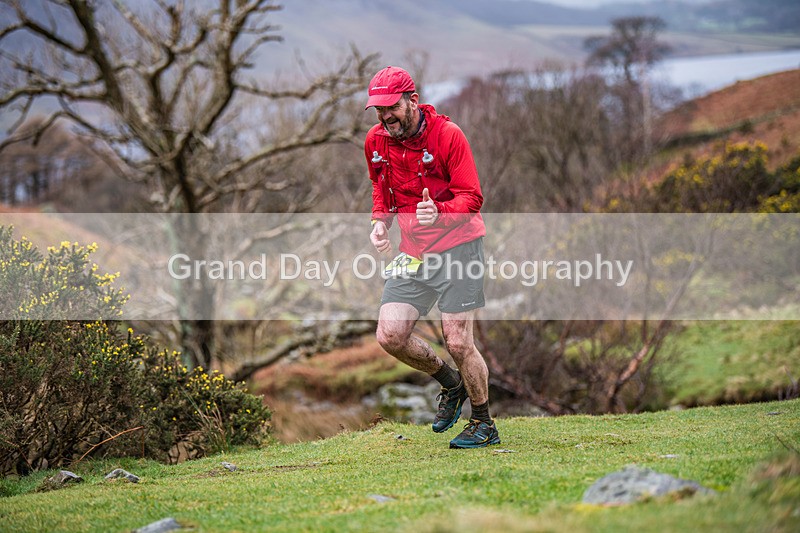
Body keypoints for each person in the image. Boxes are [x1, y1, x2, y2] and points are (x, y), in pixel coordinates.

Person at [363, 66, 500, 449]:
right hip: (414, 252)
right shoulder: (375, 141)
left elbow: (472, 199)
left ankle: (484, 423)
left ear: (413, 101)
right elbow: (380, 187)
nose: (385, 116)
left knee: (458, 341)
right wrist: (380, 222)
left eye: (391, 107)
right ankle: (450, 383)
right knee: (390, 335)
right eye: (378, 110)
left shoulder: (448, 136)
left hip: (459, 246)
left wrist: (439, 212)